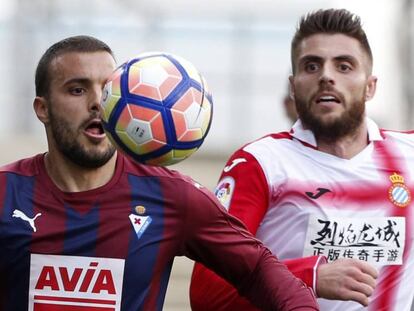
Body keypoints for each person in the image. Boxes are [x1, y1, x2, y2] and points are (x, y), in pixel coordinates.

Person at [0, 35, 319, 311]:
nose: (98, 102)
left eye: (106, 88)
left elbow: (258, 269)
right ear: (42, 108)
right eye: (77, 90)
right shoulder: (5, 193)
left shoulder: (173, 197)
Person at [190, 8, 414, 311]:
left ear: (370, 86)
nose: (326, 77)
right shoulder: (260, 163)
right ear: (294, 87)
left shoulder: (408, 153)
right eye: (312, 66)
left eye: (344, 66)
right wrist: (309, 275)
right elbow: (207, 295)